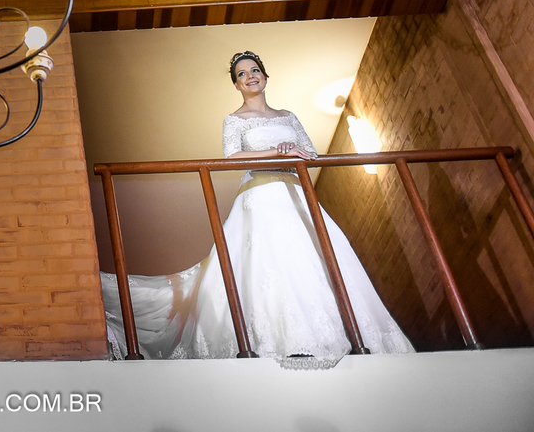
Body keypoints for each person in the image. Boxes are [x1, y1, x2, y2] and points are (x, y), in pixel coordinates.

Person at [101, 51, 413, 367]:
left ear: (265, 76)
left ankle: (335, 335)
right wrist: (274, 151)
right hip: (261, 195)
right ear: (236, 84)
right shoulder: (235, 119)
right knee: (269, 258)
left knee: (311, 255)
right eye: (241, 74)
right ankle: (283, 340)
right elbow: (231, 157)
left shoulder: (288, 116)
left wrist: (293, 153)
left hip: (295, 193)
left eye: (254, 70)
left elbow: (312, 154)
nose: (250, 76)